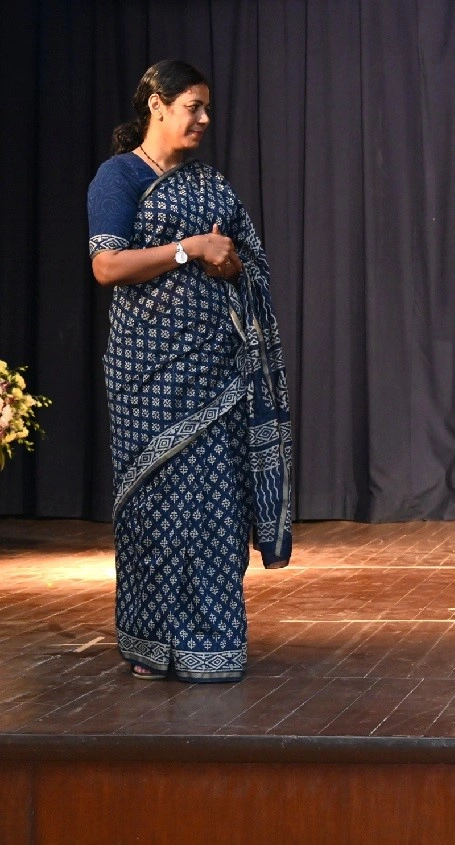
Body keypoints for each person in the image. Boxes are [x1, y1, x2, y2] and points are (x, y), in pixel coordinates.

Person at [87, 60, 293, 682]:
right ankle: (152, 643)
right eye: (192, 107)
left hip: (216, 376)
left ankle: (212, 641)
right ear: (157, 104)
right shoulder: (119, 177)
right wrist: (188, 249)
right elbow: (107, 267)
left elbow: (249, 265)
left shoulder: (211, 186)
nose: (204, 119)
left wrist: (228, 265)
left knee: (216, 512)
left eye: (207, 108)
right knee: (154, 513)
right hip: (147, 377)